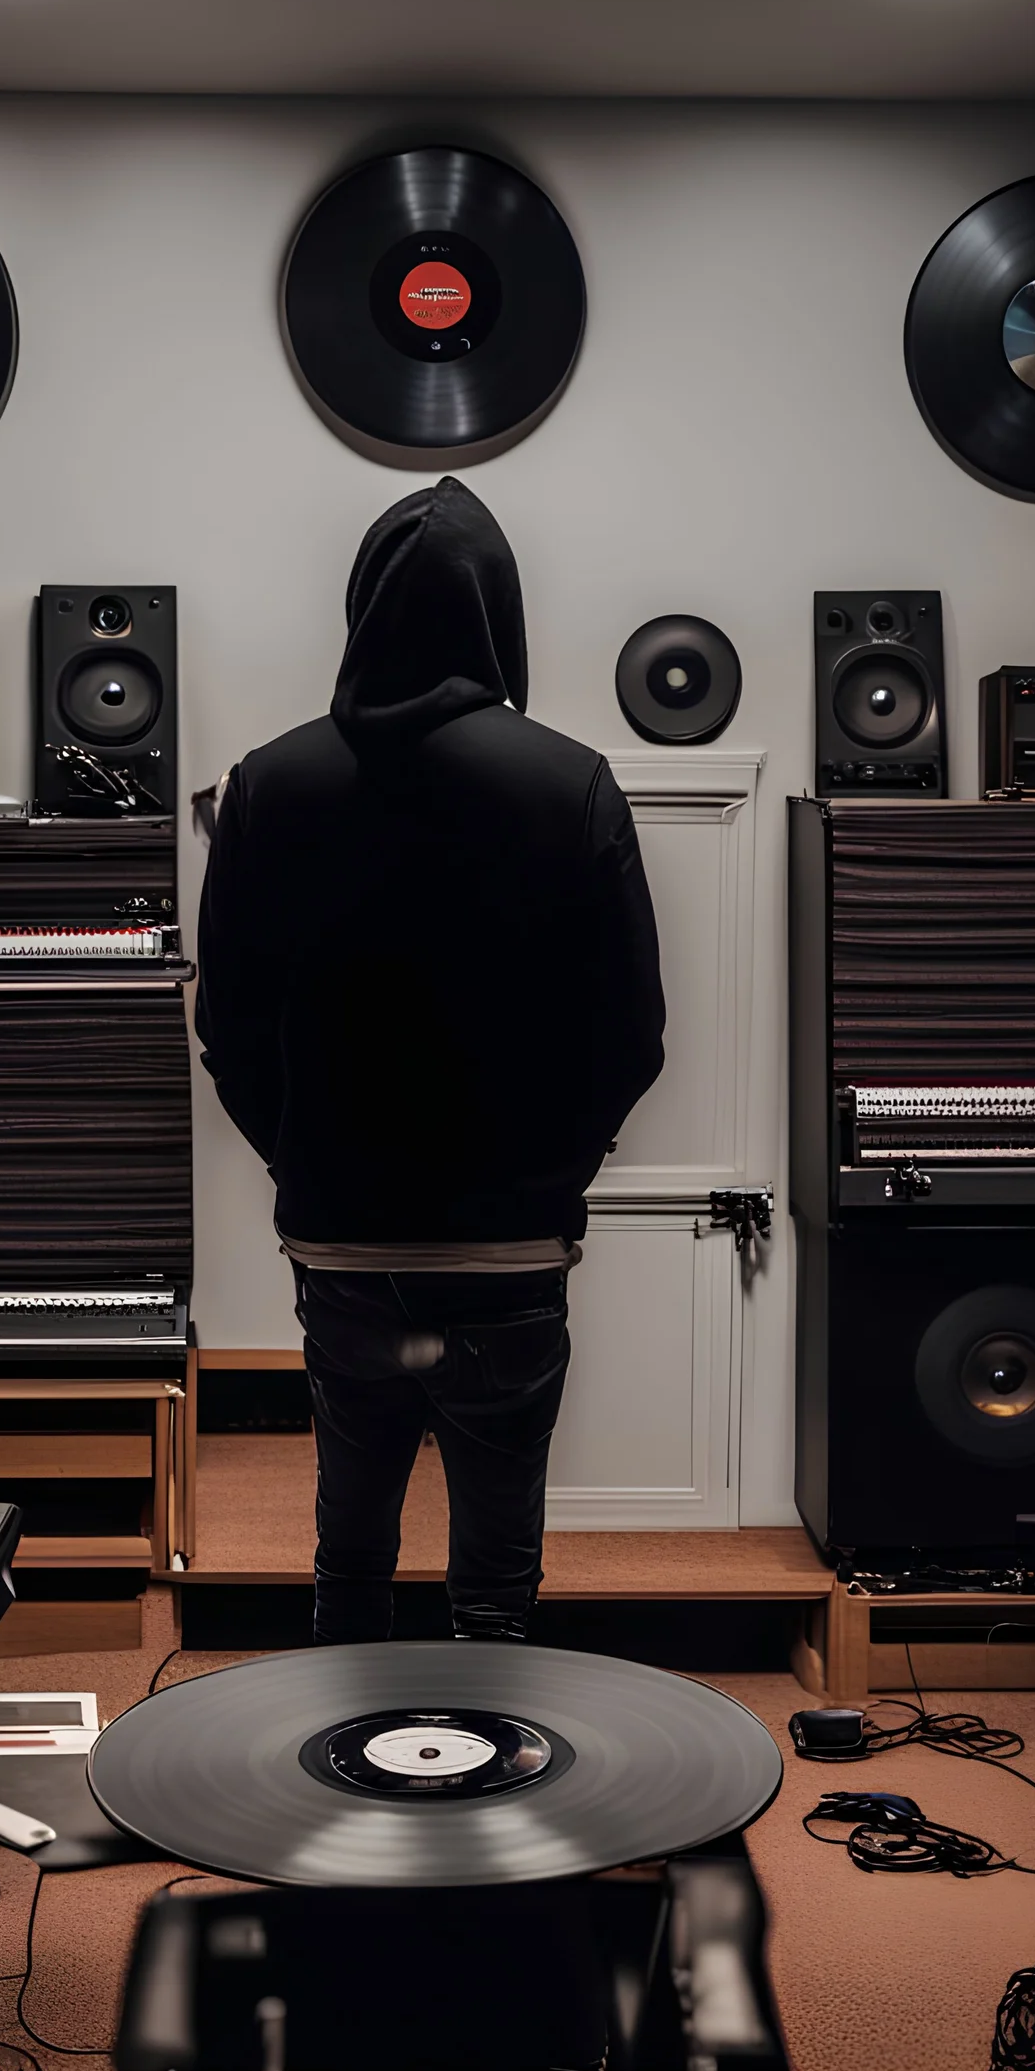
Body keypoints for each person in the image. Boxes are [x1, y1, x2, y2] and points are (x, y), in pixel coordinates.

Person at [196, 476, 665, 1645]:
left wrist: (300, 1160)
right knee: (497, 1583)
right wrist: (558, 1168)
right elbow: (633, 1032)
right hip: (511, 1251)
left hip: (340, 1242)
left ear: (362, 610)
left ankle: (338, 1797)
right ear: (498, 614)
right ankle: (492, 1796)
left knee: (349, 1551)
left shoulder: (269, 784)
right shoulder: (572, 783)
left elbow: (231, 1028)